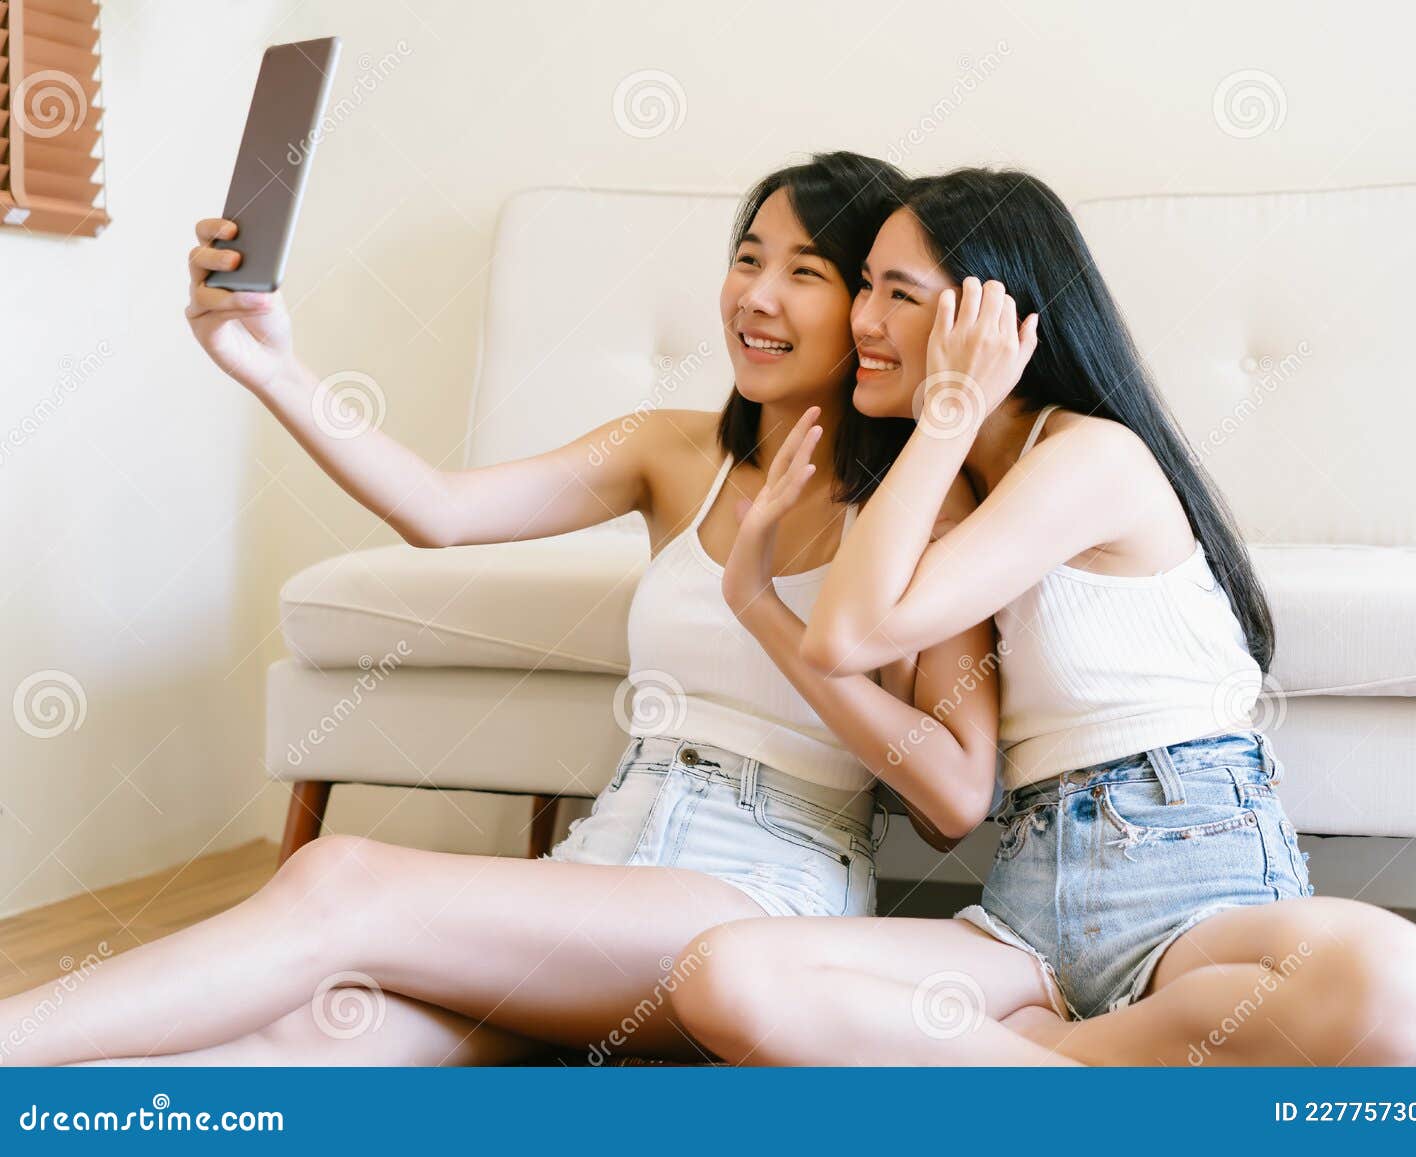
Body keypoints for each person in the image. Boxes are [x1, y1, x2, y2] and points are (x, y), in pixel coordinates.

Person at [0, 154, 1003, 1067]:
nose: (756, 296)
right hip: (606, 854)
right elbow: (442, 509)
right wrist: (267, 364)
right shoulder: (672, 450)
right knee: (314, 1027)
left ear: (870, 312)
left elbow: (953, 798)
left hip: (763, 888)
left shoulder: (925, 503)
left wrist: (768, 612)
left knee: (341, 877)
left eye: (806, 274)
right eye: (747, 259)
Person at [672, 168, 1416, 1066]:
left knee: (1401, 984)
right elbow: (848, 639)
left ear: (998, 320)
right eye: (864, 286)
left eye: (900, 293)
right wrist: (771, 585)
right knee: (722, 970)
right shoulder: (948, 488)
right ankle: (1092, 1067)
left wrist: (951, 405)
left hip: (1187, 894)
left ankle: (1045, 1061)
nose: (863, 321)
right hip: (1023, 919)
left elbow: (849, 635)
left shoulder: (1096, 458)